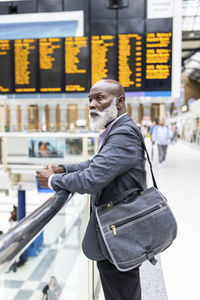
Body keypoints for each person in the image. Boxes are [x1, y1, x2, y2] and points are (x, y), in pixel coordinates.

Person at [36, 79, 147, 300]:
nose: (92, 105)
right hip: (117, 232)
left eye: (99, 98)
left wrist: (52, 182)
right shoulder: (118, 129)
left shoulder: (123, 133)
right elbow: (96, 164)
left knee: (122, 294)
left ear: (120, 101)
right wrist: (63, 168)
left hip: (121, 234)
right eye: (90, 100)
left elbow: (93, 178)